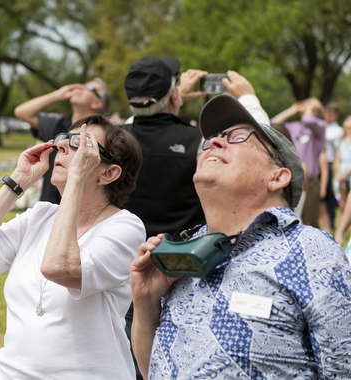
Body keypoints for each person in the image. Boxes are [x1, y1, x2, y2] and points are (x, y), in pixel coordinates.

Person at [130, 94, 351, 379]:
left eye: (238, 137)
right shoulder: (183, 250)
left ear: (278, 177)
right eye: (213, 138)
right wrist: (146, 302)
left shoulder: (312, 251)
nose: (214, 142)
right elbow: (153, 371)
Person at [0, 114, 145, 380]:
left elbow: (59, 268)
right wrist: (18, 180)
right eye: (64, 138)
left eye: (80, 143)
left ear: (108, 173)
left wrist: (76, 179)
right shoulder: (41, 214)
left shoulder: (126, 227)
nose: (61, 146)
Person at [122, 56, 270, 380]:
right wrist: (249, 101)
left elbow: (128, 128)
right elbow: (266, 157)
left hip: (122, 271)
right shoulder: (197, 146)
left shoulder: (117, 144)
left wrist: (164, 101)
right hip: (182, 270)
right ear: (174, 95)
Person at [124, 56, 270, 239]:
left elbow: (132, 128)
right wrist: (249, 99)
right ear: (174, 97)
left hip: (124, 252)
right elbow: (260, 148)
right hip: (181, 255)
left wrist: (172, 99)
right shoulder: (200, 142)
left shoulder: (113, 141)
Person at [14, 78, 111, 204]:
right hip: (48, 204)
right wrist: (58, 94)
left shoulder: (105, 136)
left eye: (89, 88)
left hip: (82, 208)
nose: (80, 88)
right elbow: (22, 112)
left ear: (97, 104)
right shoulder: (58, 124)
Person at [272, 97, 326, 228]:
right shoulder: (295, 126)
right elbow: (272, 124)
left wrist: (310, 110)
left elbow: (308, 120)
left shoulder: (319, 126)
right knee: (292, 218)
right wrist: (292, 110)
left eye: (311, 103)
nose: (306, 104)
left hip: (310, 181)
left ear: (317, 110)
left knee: (310, 221)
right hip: (290, 178)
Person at [321, 102, 342, 232]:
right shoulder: (321, 126)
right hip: (320, 164)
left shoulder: (338, 131)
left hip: (330, 163)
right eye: (327, 112)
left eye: (331, 113)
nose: (328, 115)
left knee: (330, 195)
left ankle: (332, 223)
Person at [334, 116, 351, 212]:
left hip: (348, 172)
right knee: (342, 203)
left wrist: (345, 175)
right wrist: (340, 174)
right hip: (342, 171)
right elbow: (337, 160)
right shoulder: (340, 141)